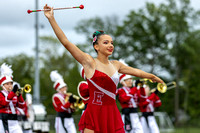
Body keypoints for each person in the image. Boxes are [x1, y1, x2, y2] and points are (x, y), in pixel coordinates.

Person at [44, 5, 164, 133]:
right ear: (96, 46)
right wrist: (51, 18)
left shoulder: (116, 65)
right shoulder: (89, 62)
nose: (110, 45)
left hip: (112, 112)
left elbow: (137, 72)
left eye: (112, 43)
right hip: (94, 112)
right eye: (106, 43)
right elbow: (66, 42)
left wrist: (152, 76)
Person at [0, 63, 25, 133]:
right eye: (7, 84)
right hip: (3, 121)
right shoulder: (1, 94)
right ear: (2, 85)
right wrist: (13, 93)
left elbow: (22, 106)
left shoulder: (13, 94)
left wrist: (19, 95)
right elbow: (4, 103)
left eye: (11, 83)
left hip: (14, 121)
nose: (9, 86)